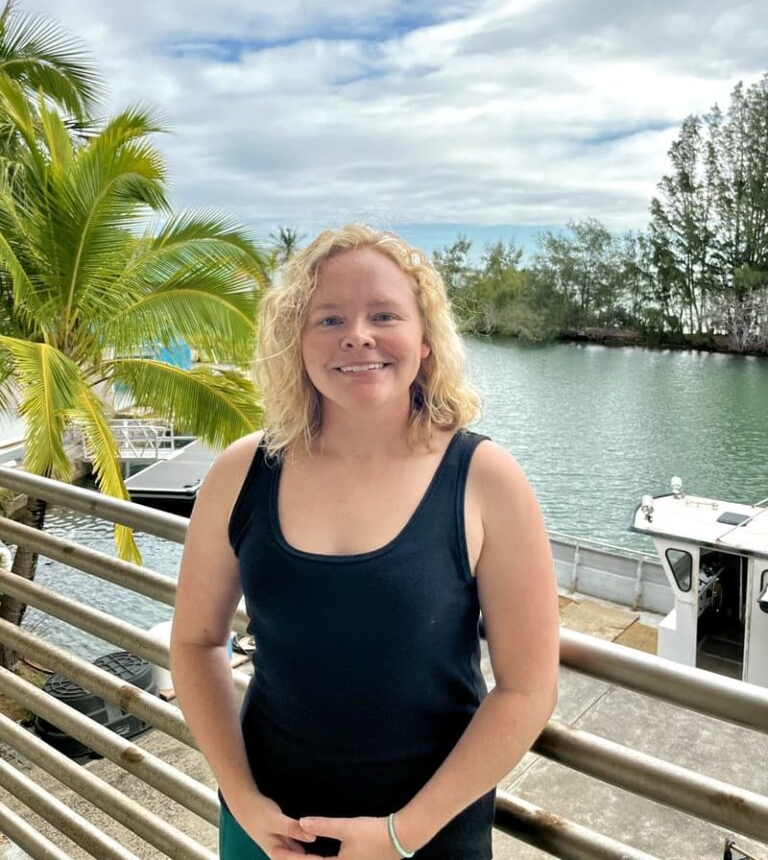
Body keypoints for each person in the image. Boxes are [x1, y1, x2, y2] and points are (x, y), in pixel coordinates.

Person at [170, 224, 559, 860]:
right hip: (267, 832)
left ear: (426, 338)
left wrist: (401, 833)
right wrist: (242, 798)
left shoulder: (486, 481)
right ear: (294, 342)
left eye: (384, 314)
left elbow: (527, 689)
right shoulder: (240, 474)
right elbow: (194, 641)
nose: (358, 335)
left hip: (426, 840)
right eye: (328, 319)